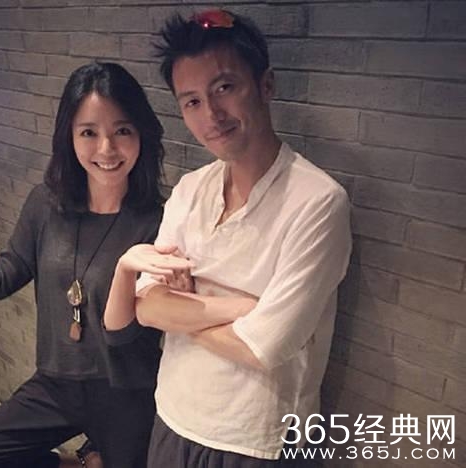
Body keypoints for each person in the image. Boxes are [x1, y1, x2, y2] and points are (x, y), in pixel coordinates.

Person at [103, 9, 353, 467]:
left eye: (224, 88)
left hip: (258, 439)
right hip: (174, 413)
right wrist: (244, 308)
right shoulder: (189, 190)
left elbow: (264, 346)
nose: (211, 115)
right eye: (192, 101)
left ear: (265, 84)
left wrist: (184, 310)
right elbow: (147, 306)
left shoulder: (318, 202)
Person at [0, 62, 165, 468]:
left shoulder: (159, 221)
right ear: (69, 137)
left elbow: (142, 329)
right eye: (89, 132)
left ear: (141, 134)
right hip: (56, 383)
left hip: (126, 390)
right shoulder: (46, 204)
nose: (106, 149)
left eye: (122, 131)